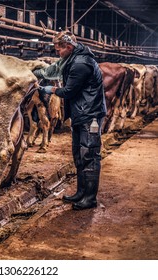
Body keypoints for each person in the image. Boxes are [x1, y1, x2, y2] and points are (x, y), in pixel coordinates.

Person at [36, 30, 107, 210]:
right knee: (79, 154)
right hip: (81, 113)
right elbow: (56, 69)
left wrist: (49, 90)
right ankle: (81, 192)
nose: (57, 53)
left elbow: (68, 91)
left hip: (90, 115)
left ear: (68, 47)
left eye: (58, 49)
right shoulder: (73, 58)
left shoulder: (81, 63)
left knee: (89, 155)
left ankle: (89, 198)